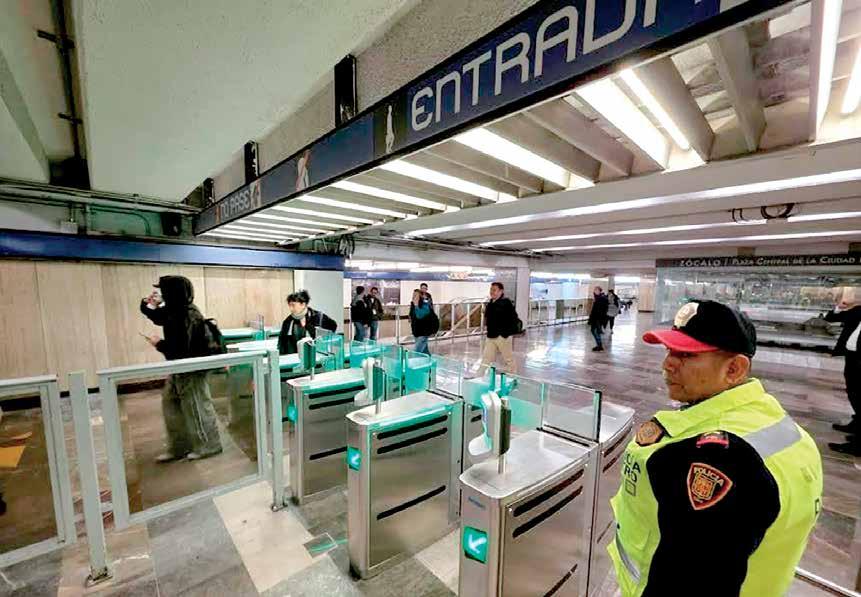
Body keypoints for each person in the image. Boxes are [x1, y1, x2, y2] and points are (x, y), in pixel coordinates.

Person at [609, 300, 823, 597]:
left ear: (734, 369)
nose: (667, 364)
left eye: (686, 354)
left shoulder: (715, 460)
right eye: (669, 350)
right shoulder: (781, 426)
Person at [140, 276, 223, 462]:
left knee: (196, 407)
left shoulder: (188, 314)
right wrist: (149, 304)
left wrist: (159, 344)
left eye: (163, 291)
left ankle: (209, 445)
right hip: (179, 367)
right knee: (172, 406)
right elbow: (157, 316)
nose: (160, 294)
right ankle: (180, 446)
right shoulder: (175, 310)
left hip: (192, 369)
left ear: (172, 292)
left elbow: (182, 350)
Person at [823, 298, 861, 455]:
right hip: (853, 357)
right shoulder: (858, 310)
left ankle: (858, 445)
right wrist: (839, 307)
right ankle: (856, 425)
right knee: (853, 391)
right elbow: (831, 318)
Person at [278, 290, 338, 355]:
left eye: (293, 305)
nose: (290, 308)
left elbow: (333, 326)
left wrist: (309, 326)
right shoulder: (288, 321)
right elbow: (282, 343)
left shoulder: (318, 316)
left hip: (317, 355)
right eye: (289, 305)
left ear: (303, 305)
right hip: (296, 357)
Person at [482, 282, 519, 373]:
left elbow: (513, 318)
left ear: (501, 291)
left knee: (508, 358)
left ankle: (513, 375)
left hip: (502, 336)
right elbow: (488, 317)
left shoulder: (506, 303)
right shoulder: (490, 303)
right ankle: (479, 374)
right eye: (491, 289)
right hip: (491, 335)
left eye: (494, 290)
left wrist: (505, 333)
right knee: (486, 357)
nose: (492, 292)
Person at [409, 289, 438, 355]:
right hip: (416, 331)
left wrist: (416, 306)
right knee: (425, 352)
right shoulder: (413, 305)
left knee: (417, 352)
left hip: (423, 332)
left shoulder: (425, 305)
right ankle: (429, 359)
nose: (414, 297)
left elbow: (420, 316)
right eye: (413, 295)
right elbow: (413, 317)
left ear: (421, 296)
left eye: (416, 295)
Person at [588, 286, 609, 351]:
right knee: (595, 331)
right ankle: (599, 345)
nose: (595, 291)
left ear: (600, 291)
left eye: (597, 290)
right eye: (595, 290)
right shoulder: (597, 298)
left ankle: (599, 346)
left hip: (598, 318)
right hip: (595, 318)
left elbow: (602, 309)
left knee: (595, 331)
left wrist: (600, 318)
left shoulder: (601, 298)